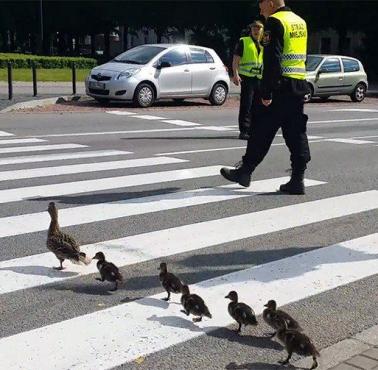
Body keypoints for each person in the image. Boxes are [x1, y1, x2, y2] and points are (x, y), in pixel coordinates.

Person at [221, 0, 310, 194]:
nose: (260, 10)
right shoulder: (300, 22)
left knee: (260, 130)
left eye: (261, 4)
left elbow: (272, 59)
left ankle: (245, 171)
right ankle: (298, 179)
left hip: (279, 87)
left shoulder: (275, 22)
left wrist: (267, 91)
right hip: (297, 86)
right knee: (296, 133)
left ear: (270, 3)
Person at [232, 20, 264, 140]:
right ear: (251, 30)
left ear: (262, 30)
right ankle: (244, 130)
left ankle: (254, 129)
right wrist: (235, 74)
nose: (256, 30)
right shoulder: (244, 41)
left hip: (259, 78)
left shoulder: (263, 43)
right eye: (254, 28)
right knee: (247, 104)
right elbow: (236, 59)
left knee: (258, 105)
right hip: (247, 77)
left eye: (259, 28)